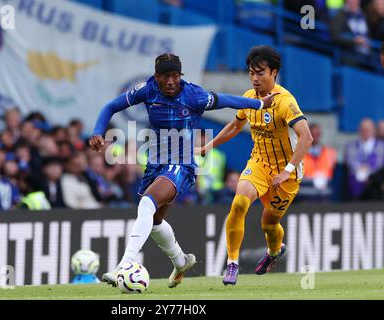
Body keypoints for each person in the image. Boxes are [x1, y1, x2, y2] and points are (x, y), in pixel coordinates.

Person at [89, 53, 277, 288]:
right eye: (165, 76)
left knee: (146, 205)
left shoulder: (194, 95)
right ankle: (181, 261)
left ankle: (124, 264)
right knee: (155, 220)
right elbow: (111, 106)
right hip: (156, 162)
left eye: (175, 76)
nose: (170, 81)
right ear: (156, 77)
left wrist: (259, 103)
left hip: (182, 163)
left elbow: (227, 100)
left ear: (180, 76)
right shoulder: (147, 89)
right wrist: (98, 131)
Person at [197, 46, 313, 286]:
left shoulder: (285, 102)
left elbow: (307, 137)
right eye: (251, 73)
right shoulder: (249, 98)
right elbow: (235, 125)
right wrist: (209, 146)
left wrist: (287, 171)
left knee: (269, 224)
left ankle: (274, 251)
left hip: (287, 174)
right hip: (259, 163)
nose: (255, 78)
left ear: (274, 72)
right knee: (239, 203)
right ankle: (232, 264)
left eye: (260, 73)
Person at [344, 118, 384, 199]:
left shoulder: (381, 146)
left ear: (374, 130)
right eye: (363, 129)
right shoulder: (351, 146)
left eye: (368, 129)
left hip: (375, 187)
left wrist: (368, 171)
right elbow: (350, 162)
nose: (365, 132)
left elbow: (380, 163)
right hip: (355, 186)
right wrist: (360, 170)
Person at [299, 123, 337, 201]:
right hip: (305, 197)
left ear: (320, 135)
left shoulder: (330, 153)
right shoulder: (299, 153)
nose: (314, 136)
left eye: (317, 134)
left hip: (325, 196)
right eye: (312, 134)